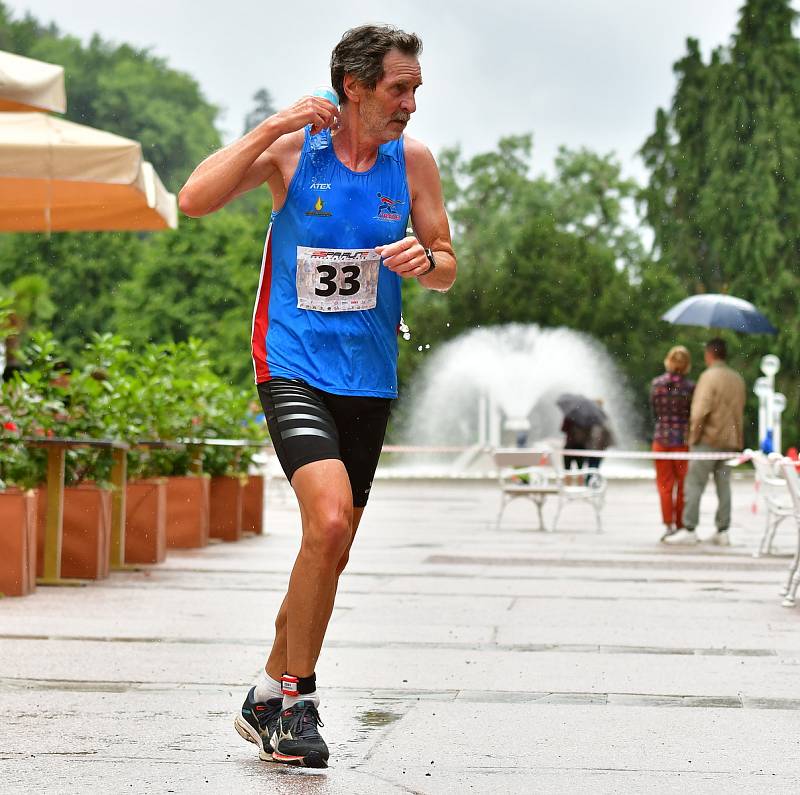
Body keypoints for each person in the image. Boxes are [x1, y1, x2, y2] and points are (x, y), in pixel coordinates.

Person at [178, 25, 456, 768]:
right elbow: (195, 197)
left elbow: (448, 264)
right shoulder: (295, 152)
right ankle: (296, 700)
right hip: (292, 365)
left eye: (416, 89)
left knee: (327, 549)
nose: (411, 104)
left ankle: (267, 690)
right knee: (328, 517)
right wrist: (273, 123)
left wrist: (425, 259)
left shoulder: (415, 163)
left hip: (369, 379)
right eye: (401, 88)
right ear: (354, 86)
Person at [664, 338, 745, 546]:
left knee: (694, 485)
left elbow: (700, 412)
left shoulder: (708, 377)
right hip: (730, 443)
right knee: (724, 486)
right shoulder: (737, 379)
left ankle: (690, 528)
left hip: (708, 442)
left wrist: (693, 438)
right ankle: (723, 530)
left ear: (709, 354)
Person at [650, 346, 695, 542]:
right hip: (681, 442)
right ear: (686, 365)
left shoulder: (657, 384)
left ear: (668, 361)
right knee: (683, 485)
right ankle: (681, 524)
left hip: (661, 440)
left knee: (664, 485)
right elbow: (692, 414)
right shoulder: (690, 387)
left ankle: (668, 525)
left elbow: (654, 412)